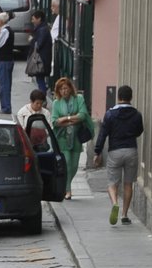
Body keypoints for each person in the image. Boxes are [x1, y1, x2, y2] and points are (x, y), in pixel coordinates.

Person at [94, 84, 145, 225]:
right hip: (131, 150)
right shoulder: (136, 114)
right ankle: (124, 214)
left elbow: (103, 134)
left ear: (118, 97)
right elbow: (139, 131)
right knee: (128, 183)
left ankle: (115, 203)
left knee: (112, 183)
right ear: (131, 97)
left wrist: (97, 152)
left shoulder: (110, 114)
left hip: (115, 151)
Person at [47, 76, 92, 199]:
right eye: (61, 89)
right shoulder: (57, 103)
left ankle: (65, 185)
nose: (64, 91)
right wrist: (72, 118)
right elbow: (55, 121)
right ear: (58, 91)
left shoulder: (79, 99)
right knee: (66, 163)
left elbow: (82, 115)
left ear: (70, 89)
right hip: (62, 137)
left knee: (74, 166)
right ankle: (67, 191)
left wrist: (66, 119)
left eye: (66, 88)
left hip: (76, 137)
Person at [25, 8, 52, 93]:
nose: (32, 21)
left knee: (40, 80)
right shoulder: (43, 28)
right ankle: (42, 97)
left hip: (41, 60)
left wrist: (32, 40)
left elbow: (39, 44)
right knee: (40, 80)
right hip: (43, 58)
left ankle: (42, 99)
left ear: (39, 18)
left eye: (33, 19)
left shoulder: (42, 30)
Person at [0, 21, 15, 114]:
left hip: (4, 61)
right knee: (6, 84)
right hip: (7, 60)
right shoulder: (8, 30)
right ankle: (6, 106)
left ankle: (5, 107)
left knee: (4, 85)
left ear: (1, 21)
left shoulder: (4, 31)